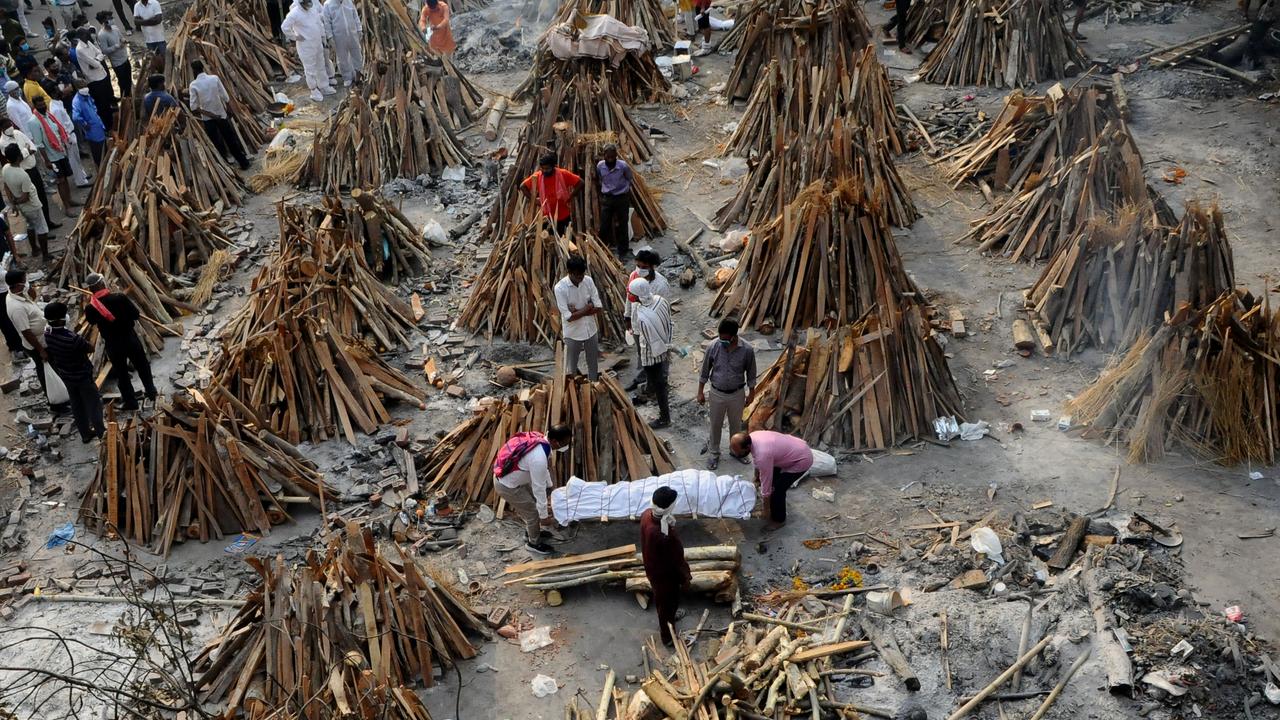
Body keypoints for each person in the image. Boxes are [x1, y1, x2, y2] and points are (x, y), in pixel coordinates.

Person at [493, 425, 572, 556]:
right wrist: (544, 517)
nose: (565, 445)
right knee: (533, 513)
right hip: (508, 486)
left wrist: (551, 487)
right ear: (554, 441)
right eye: (563, 443)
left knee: (533, 505)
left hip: (514, 480)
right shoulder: (538, 458)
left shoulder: (541, 440)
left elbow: (545, 472)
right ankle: (533, 544)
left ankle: (531, 532)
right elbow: (538, 488)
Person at [82, 272, 157, 409]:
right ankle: (151, 392)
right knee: (142, 366)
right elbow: (135, 315)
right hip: (130, 338)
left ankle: (131, 402)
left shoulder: (91, 307)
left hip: (113, 344)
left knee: (121, 373)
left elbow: (91, 321)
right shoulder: (119, 298)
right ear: (101, 284)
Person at [697, 319, 756, 471]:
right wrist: (700, 392)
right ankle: (714, 453)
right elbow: (704, 371)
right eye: (720, 337)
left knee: (735, 425)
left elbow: (751, 373)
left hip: (737, 394)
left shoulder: (747, 350)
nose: (722, 341)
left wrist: (752, 393)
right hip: (717, 393)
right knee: (715, 425)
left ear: (734, 336)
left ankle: (735, 451)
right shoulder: (713, 346)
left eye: (725, 338)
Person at [42, 302, 104, 442]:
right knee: (94, 405)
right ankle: (102, 433)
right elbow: (90, 348)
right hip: (82, 375)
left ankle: (85, 434)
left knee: (77, 405)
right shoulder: (72, 338)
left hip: (66, 375)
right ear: (60, 319)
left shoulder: (48, 334)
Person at [639, 486, 692, 647]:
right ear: (669, 507)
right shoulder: (662, 535)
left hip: (652, 567)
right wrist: (685, 577)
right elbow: (676, 560)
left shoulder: (647, 515)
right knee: (667, 604)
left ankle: (670, 615)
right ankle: (668, 637)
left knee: (665, 601)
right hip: (665, 575)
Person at [729, 430, 813, 531]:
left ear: (747, 447)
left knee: (777, 491)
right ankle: (775, 506)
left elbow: (766, 485)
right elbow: (757, 461)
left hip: (801, 459)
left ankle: (779, 520)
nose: (736, 453)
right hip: (791, 449)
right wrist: (756, 478)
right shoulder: (752, 437)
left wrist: (766, 510)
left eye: (738, 451)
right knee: (772, 483)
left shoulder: (762, 454)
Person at [187, 60, 250, 170]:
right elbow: (225, 97)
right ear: (203, 67)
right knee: (230, 139)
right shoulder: (214, 78)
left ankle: (226, 167)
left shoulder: (193, 85)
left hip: (208, 118)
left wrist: (210, 115)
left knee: (217, 143)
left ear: (193, 70)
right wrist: (228, 111)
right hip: (221, 114)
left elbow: (193, 107)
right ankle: (243, 163)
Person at [629, 277, 672, 429]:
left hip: (652, 354)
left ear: (636, 296)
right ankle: (649, 392)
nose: (630, 296)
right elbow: (669, 322)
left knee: (658, 383)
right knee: (658, 381)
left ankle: (664, 417)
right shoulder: (660, 300)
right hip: (665, 346)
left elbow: (648, 340)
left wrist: (648, 360)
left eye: (631, 294)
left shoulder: (642, 316)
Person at [0, 116, 57, 230]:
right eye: (6, 127)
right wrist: (26, 151)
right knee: (30, 201)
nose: (10, 128)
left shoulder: (18, 133)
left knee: (42, 197)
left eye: (10, 124)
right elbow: (15, 158)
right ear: (1, 129)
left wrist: (25, 152)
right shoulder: (3, 143)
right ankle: (39, 229)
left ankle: (48, 222)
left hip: (33, 169)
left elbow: (33, 147)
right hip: (22, 173)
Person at [624, 249, 668, 392]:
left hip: (653, 327)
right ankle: (646, 380)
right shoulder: (633, 276)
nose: (640, 270)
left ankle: (659, 382)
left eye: (644, 267)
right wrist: (627, 316)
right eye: (638, 266)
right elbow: (629, 298)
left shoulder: (660, 285)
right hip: (637, 325)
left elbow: (664, 309)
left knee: (657, 355)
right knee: (642, 354)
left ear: (652, 266)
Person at [26, 94, 77, 218]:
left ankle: (69, 200)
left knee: (66, 178)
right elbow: (39, 144)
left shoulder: (48, 115)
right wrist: (47, 161)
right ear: (35, 106)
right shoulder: (33, 121)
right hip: (52, 156)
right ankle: (67, 206)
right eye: (40, 105)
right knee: (61, 180)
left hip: (60, 151)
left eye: (43, 104)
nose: (43, 106)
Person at [553, 254, 603, 382]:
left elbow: (597, 306)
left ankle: (593, 385)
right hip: (572, 333)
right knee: (572, 365)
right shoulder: (560, 288)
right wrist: (587, 308)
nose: (580, 277)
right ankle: (574, 389)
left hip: (590, 329)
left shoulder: (588, 281)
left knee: (593, 363)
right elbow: (569, 317)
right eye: (577, 275)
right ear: (569, 272)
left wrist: (578, 312)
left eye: (582, 274)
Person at [1, 143, 49, 259]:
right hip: (32, 205)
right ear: (19, 157)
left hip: (23, 208)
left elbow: (6, 186)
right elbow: (25, 197)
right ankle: (45, 254)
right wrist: (16, 202)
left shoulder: (6, 169)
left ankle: (34, 249)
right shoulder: (23, 175)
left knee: (30, 226)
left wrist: (13, 203)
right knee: (42, 229)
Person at [281, 0, 334, 102]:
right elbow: (284, 27)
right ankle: (314, 90)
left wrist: (323, 37)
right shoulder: (295, 13)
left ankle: (324, 86)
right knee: (310, 69)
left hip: (317, 43)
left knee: (321, 65)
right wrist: (295, 37)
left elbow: (318, 23)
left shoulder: (312, 9)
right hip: (306, 46)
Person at [5, 269, 47, 394]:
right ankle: (55, 402)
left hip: (41, 339)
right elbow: (26, 332)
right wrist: (41, 350)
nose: (27, 282)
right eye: (25, 281)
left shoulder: (20, 293)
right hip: (36, 345)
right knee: (45, 371)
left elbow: (33, 297)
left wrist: (29, 288)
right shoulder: (16, 307)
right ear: (18, 285)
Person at [520, 153, 581, 235]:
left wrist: (571, 196)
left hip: (563, 215)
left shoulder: (563, 174)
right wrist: (533, 200)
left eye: (547, 168)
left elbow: (581, 183)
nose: (545, 171)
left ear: (553, 166)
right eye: (543, 168)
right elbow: (523, 186)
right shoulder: (538, 176)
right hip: (546, 216)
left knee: (565, 239)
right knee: (547, 239)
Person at [49, 83, 90, 186]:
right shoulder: (56, 109)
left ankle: (83, 175)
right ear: (53, 93)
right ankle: (80, 181)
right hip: (68, 136)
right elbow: (60, 126)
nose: (60, 90)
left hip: (70, 133)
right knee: (73, 159)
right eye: (57, 89)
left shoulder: (57, 104)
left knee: (76, 157)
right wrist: (67, 139)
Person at [596, 143, 633, 257]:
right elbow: (600, 178)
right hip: (607, 198)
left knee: (622, 224)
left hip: (621, 198)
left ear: (616, 155)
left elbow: (629, 178)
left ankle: (623, 250)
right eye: (608, 157)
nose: (610, 159)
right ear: (604, 156)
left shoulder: (623, 166)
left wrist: (623, 189)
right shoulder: (600, 166)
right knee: (604, 224)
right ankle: (603, 248)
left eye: (613, 156)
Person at [74, 29, 114, 130]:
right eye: (86, 34)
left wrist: (96, 60)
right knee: (102, 105)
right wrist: (96, 61)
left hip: (102, 75)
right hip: (94, 80)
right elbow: (95, 63)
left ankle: (111, 122)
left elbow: (99, 53)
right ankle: (107, 127)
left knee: (107, 101)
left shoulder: (88, 43)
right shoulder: (80, 49)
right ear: (81, 36)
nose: (88, 35)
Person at [322, 0, 362, 87]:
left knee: (357, 54)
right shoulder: (328, 5)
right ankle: (347, 77)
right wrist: (330, 37)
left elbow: (355, 16)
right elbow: (327, 22)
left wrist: (359, 29)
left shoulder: (349, 2)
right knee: (342, 58)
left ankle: (358, 74)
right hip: (338, 37)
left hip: (352, 34)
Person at [95, 12, 131, 98]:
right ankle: (124, 100)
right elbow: (104, 50)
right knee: (123, 83)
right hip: (117, 63)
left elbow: (121, 37)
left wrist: (123, 40)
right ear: (104, 21)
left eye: (112, 18)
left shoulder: (115, 28)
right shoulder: (102, 35)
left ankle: (130, 97)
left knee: (129, 80)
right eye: (109, 19)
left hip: (125, 58)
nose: (112, 20)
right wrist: (117, 46)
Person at [69, 80, 105, 167]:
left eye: (85, 86)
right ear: (77, 88)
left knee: (104, 148)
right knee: (98, 154)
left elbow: (93, 106)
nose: (85, 88)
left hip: (98, 125)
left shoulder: (87, 95)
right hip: (92, 131)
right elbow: (75, 117)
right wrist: (84, 123)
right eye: (82, 87)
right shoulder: (77, 101)